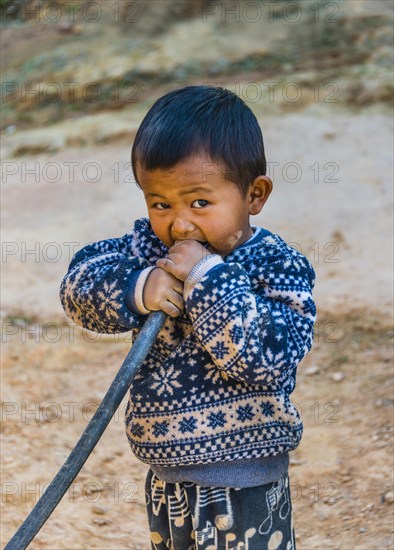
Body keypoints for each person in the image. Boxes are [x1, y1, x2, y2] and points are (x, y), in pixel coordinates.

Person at [60, 85, 316, 550]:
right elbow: (78, 283)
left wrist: (206, 277)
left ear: (254, 195)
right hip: (166, 480)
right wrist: (139, 288)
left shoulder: (277, 266)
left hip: (246, 484)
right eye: (160, 204)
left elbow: (264, 358)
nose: (179, 224)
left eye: (200, 203)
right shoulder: (150, 252)